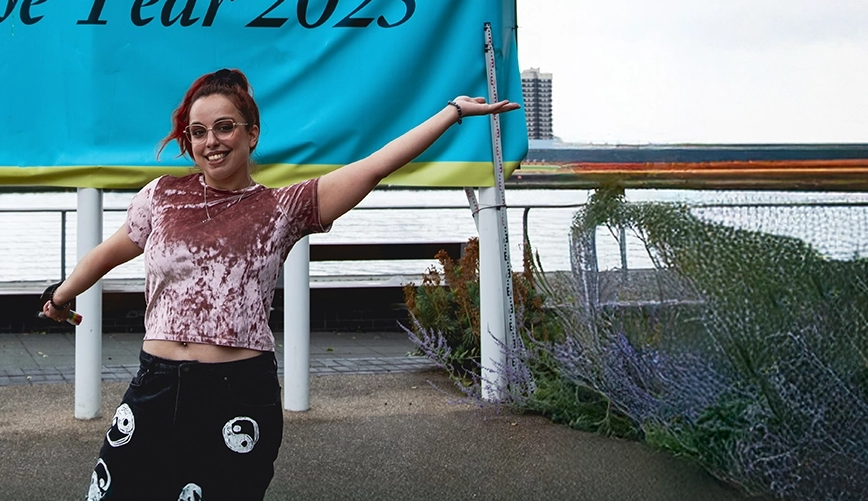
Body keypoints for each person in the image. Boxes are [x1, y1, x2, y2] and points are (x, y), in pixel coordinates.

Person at [42, 68, 518, 501]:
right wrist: (60, 297)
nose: (212, 142)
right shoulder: (163, 195)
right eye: (198, 132)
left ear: (252, 134)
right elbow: (110, 251)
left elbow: (375, 166)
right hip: (156, 384)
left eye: (225, 127)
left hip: (236, 394)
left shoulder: (281, 208)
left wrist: (452, 113)